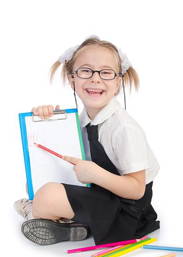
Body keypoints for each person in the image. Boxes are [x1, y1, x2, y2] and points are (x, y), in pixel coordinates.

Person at [14, 36, 160, 246]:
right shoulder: (82, 120)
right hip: (102, 193)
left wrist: (96, 174)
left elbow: (137, 190)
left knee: (46, 195)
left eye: (106, 72)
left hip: (127, 208)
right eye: (85, 71)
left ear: (118, 82)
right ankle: (74, 226)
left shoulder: (124, 128)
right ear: (72, 79)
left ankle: (37, 212)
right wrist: (48, 120)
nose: (95, 79)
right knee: (36, 182)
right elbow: (65, 157)